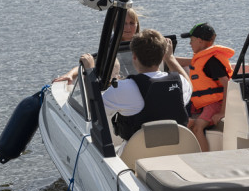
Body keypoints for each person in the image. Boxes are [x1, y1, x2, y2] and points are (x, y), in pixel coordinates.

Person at [75, 29, 189, 141]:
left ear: (134, 56)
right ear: (162, 55)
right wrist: (170, 58)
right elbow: (188, 82)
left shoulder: (123, 88)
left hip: (139, 154)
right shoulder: (180, 82)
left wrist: (90, 71)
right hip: (175, 151)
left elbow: (94, 110)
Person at [175, 22, 234, 152]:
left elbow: (228, 84)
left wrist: (222, 112)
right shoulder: (202, 58)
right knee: (188, 123)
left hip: (215, 104)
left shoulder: (211, 61)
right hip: (205, 105)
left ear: (200, 41)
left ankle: (204, 157)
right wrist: (167, 58)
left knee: (197, 127)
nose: (190, 44)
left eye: (192, 40)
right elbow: (185, 62)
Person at [54, 7, 141, 84]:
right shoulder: (111, 46)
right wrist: (70, 74)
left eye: (132, 23)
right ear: (116, 25)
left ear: (137, 25)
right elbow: (95, 62)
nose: (128, 27)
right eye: (124, 23)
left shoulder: (144, 44)